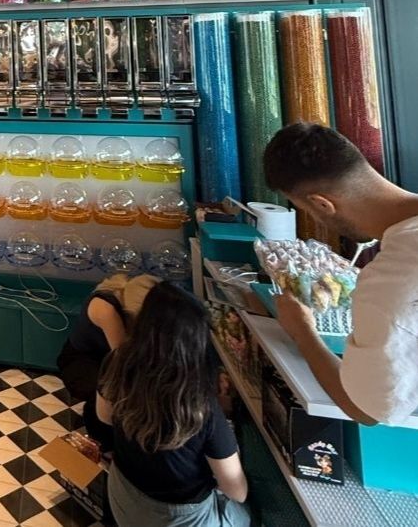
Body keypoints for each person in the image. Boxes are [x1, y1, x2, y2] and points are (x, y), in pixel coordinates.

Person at [263, 122, 418, 426]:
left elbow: (367, 410)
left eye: (307, 210)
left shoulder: (389, 287)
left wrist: (302, 331)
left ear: (322, 203)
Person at [96, 283, 251, 527]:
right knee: (246, 515)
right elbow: (237, 491)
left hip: (123, 496)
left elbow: (104, 416)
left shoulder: (118, 361)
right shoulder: (201, 405)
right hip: (175, 518)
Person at [56, 273, 158, 440]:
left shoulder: (131, 295)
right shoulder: (106, 309)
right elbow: (123, 358)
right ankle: (102, 437)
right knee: (109, 393)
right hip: (81, 360)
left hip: (107, 358)